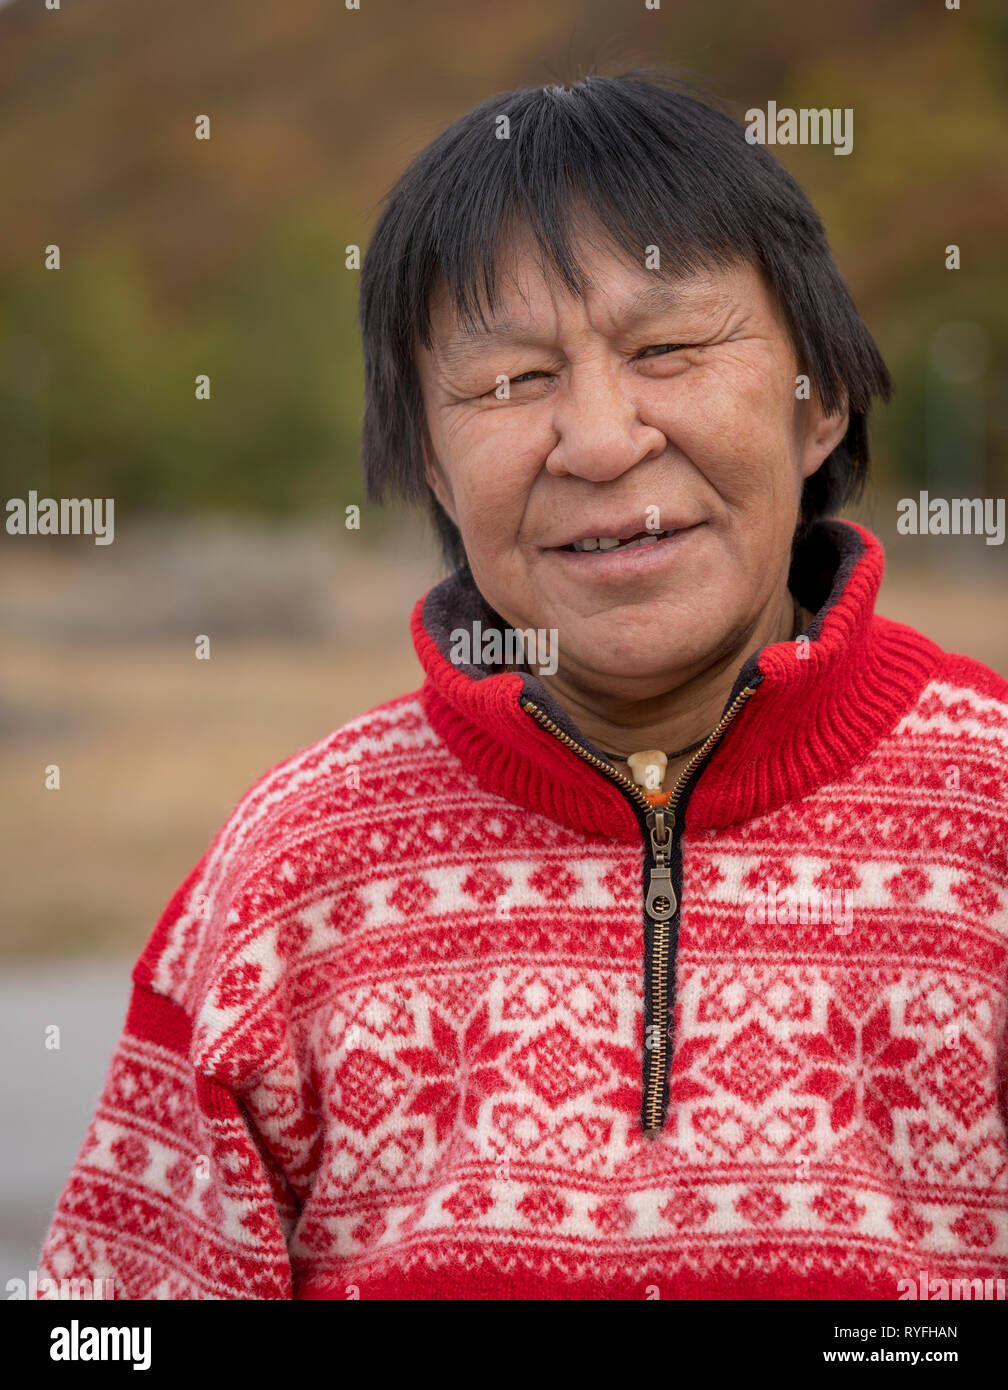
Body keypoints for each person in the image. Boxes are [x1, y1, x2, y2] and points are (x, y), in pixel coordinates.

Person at [36, 69, 1008, 1300]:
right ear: (434, 469)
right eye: (510, 382)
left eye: (666, 347)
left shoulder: (993, 811)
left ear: (818, 404)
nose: (601, 441)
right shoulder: (288, 874)